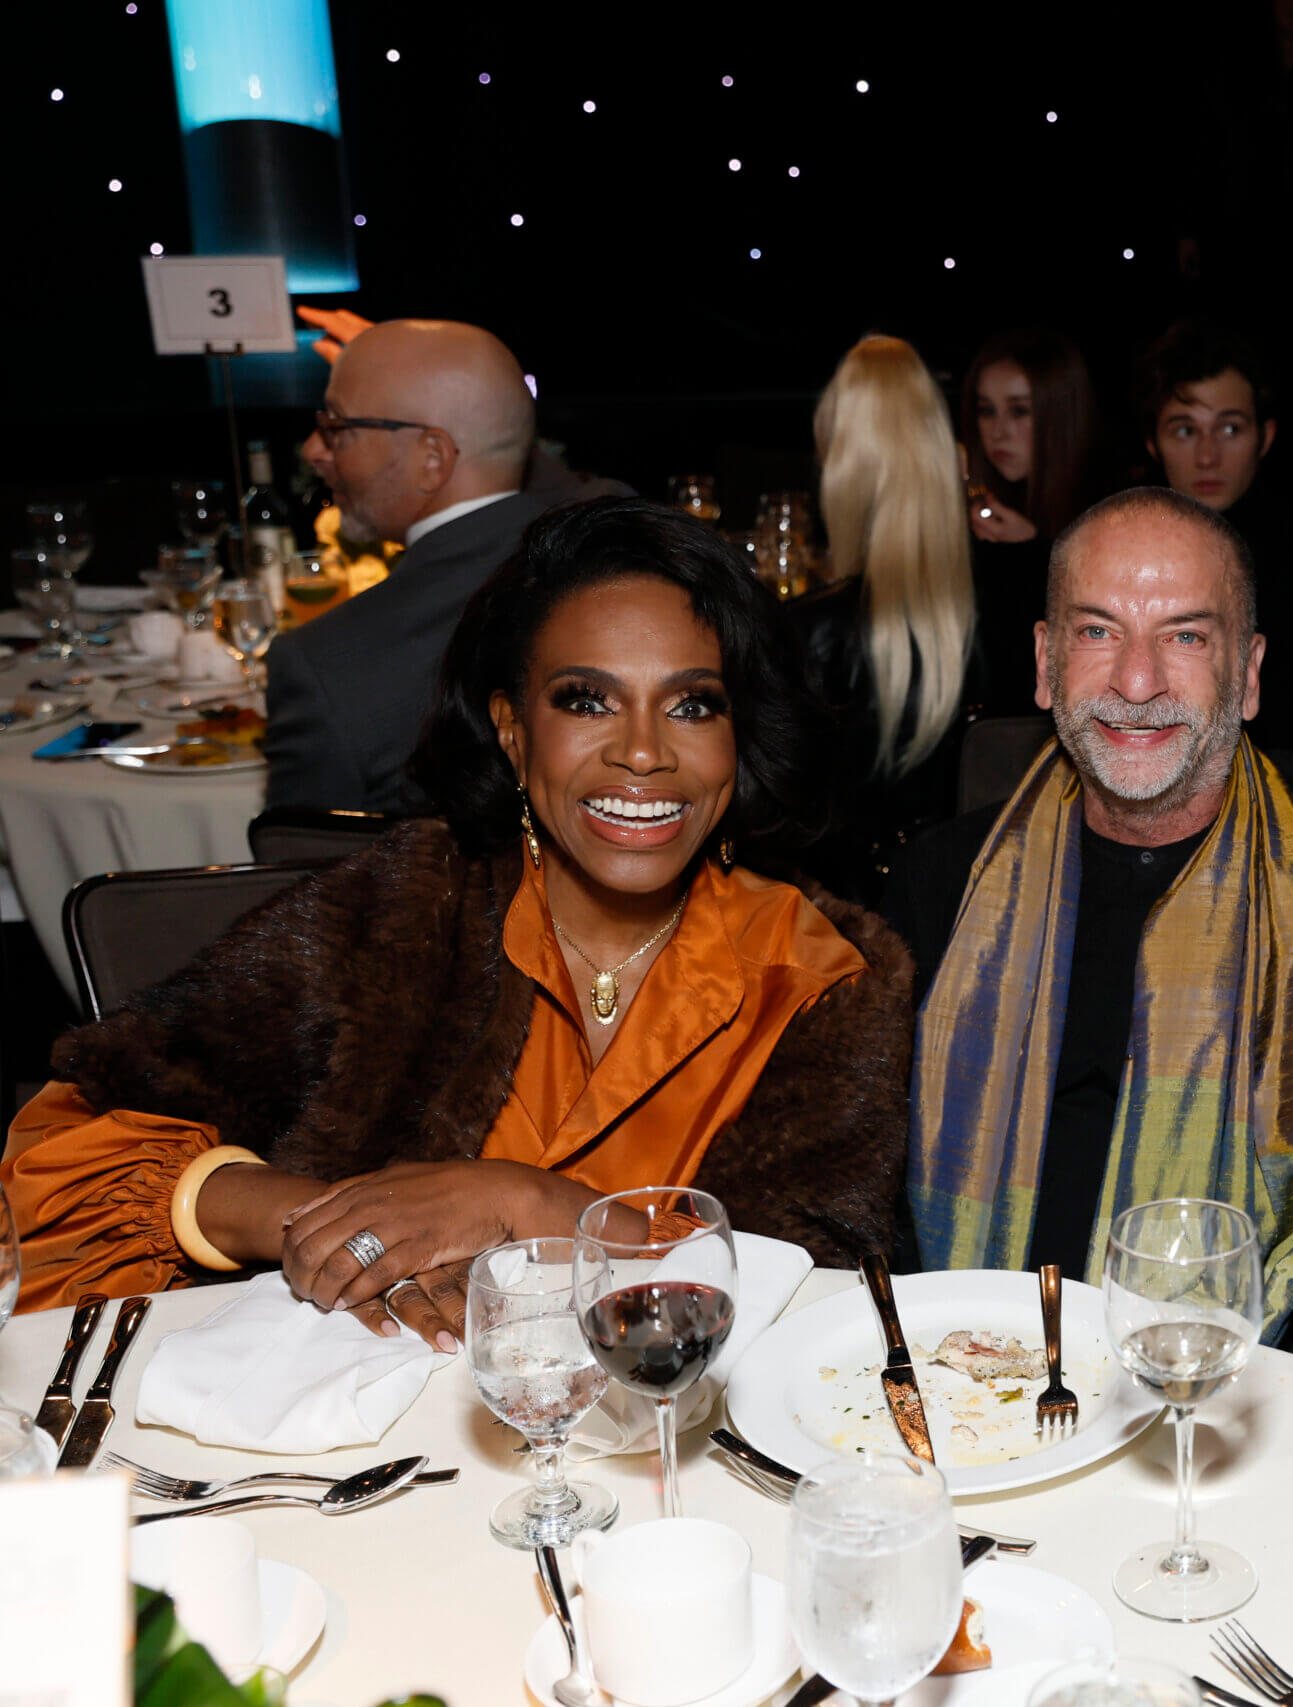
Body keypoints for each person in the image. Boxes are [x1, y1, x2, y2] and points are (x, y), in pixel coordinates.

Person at [1, 498, 913, 1342]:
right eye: (586, 699)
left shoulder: (820, 974)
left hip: (667, 1457)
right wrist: (350, 1228)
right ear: (513, 730)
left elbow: (816, 1296)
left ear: (738, 738)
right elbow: (74, 1139)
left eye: (692, 704)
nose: (643, 750)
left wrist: (522, 1204)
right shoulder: (413, 907)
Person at [883, 488, 1293, 1381]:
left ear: (1250, 672)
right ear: (1044, 662)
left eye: (1186, 636)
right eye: (1097, 632)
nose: (1138, 681)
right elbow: (868, 1200)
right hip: (967, 1386)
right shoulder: (941, 886)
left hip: (1236, 1401)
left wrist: (1258, 1423)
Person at [264, 318, 627, 812]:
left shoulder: (325, 665)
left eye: (337, 427)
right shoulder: (616, 546)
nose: (313, 450)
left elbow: (304, 879)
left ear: (433, 458)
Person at [790, 335, 981, 901]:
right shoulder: (1026, 613)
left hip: (842, 925)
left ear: (841, 468)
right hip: (979, 906)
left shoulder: (812, 633)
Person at [1132, 319, 1293, 749]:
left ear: (1263, 437)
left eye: (1230, 428)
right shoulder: (1122, 550)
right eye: (1185, 430)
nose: (1208, 456)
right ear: (1153, 443)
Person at [960, 329, 1102, 712]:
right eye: (986, 410)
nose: (998, 431)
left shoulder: (1106, 512)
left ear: (1059, 414)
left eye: (1019, 411)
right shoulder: (978, 503)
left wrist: (1036, 551)